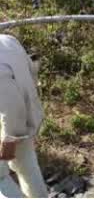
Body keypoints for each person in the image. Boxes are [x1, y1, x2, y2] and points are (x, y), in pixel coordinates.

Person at [0, 34, 47, 198]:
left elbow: (11, 105)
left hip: (9, 128)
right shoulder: (8, 40)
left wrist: (9, 140)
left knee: (1, 180)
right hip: (27, 116)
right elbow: (31, 72)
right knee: (28, 166)